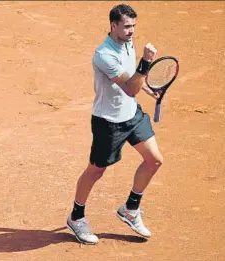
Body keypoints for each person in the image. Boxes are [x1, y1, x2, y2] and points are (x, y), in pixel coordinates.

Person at [67, 3, 163, 245]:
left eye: (134, 26)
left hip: (132, 116)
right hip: (108, 123)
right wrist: (146, 62)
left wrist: (149, 89)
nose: (131, 31)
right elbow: (130, 88)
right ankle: (76, 217)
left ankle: (130, 209)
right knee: (95, 171)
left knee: (154, 160)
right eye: (127, 26)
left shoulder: (127, 42)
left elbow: (134, 79)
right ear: (114, 26)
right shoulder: (104, 55)